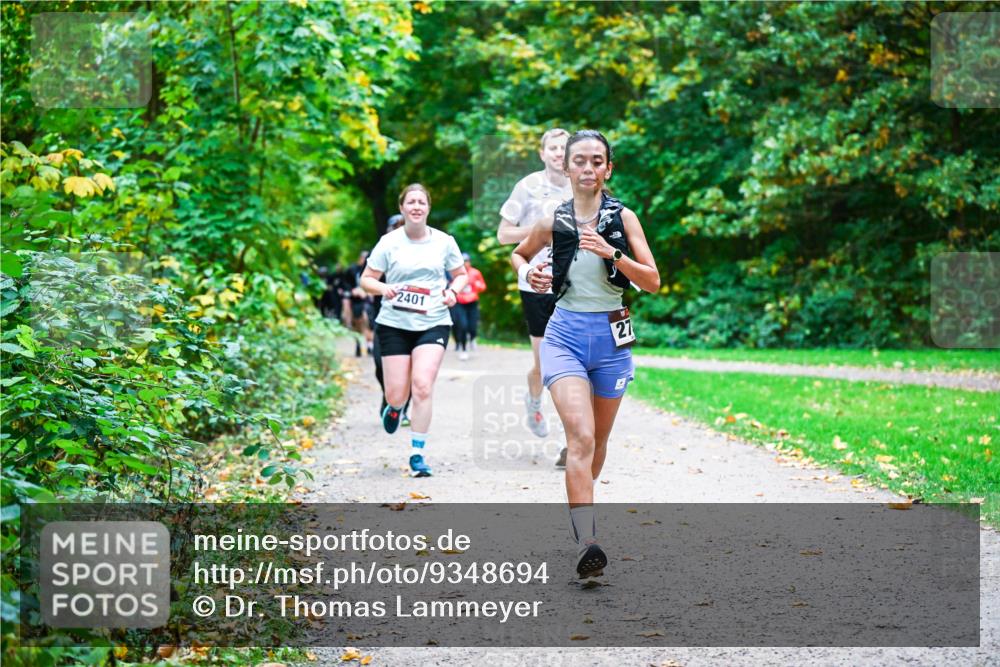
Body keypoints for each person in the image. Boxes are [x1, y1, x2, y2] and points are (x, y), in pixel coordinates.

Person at [511, 130, 659, 579]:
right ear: (566, 167)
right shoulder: (552, 219)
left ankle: (580, 504)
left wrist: (611, 251)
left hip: (613, 339)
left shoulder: (624, 218)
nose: (588, 168)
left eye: (597, 161)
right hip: (565, 336)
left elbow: (652, 280)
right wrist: (530, 274)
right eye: (580, 161)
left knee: (597, 445)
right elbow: (520, 255)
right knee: (580, 436)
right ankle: (588, 541)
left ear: (608, 169)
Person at [361, 184, 468, 478]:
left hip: (433, 320)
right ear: (402, 208)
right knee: (397, 393)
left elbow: (461, 275)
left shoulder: (444, 242)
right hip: (394, 323)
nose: (417, 206)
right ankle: (395, 408)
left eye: (422, 202)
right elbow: (367, 279)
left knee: (422, 385)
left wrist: (453, 292)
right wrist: (385, 288)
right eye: (411, 202)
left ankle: (418, 454)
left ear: (428, 208)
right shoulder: (389, 242)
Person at [496, 128, 572, 460]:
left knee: (568, 364)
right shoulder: (527, 186)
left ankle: (566, 444)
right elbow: (503, 235)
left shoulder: (582, 185)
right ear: (542, 154)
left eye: (564, 148)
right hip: (536, 282)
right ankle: (534, 399)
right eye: (552, 148)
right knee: (544, 365)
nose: (558, 153)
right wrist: (544, 229)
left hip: (573, 285)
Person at [371, 214, 410, 424]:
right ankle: (390, 397)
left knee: (411, 368)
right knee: (379, 364)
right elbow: (365, 280)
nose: (399, 230)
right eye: (395, 226)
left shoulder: (424, 253)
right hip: (384, 319)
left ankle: (402, 408)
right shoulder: (381, 252)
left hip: (415, 321)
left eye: (403, 226)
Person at [450, 252, 487, 361]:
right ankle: (464, 349)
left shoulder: (475, 273)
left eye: (466, 261)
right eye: (463, 262)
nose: (465, 264)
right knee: (462, 325)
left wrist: (479, 286)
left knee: (472, 326)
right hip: (460, 302)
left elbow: (483, 286)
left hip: (472, 302)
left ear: (469, 262)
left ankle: (473, 338)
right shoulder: (455, 273)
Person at [345, 251, 375, 357]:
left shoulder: (374, 270)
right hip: (356, 301)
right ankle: (358, 344)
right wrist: (353, 290)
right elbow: (346, 285)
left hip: (368, 301)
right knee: (356, 322)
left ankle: (370, 345)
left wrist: (368, 293)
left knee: (368, 321)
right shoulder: (352, 270)